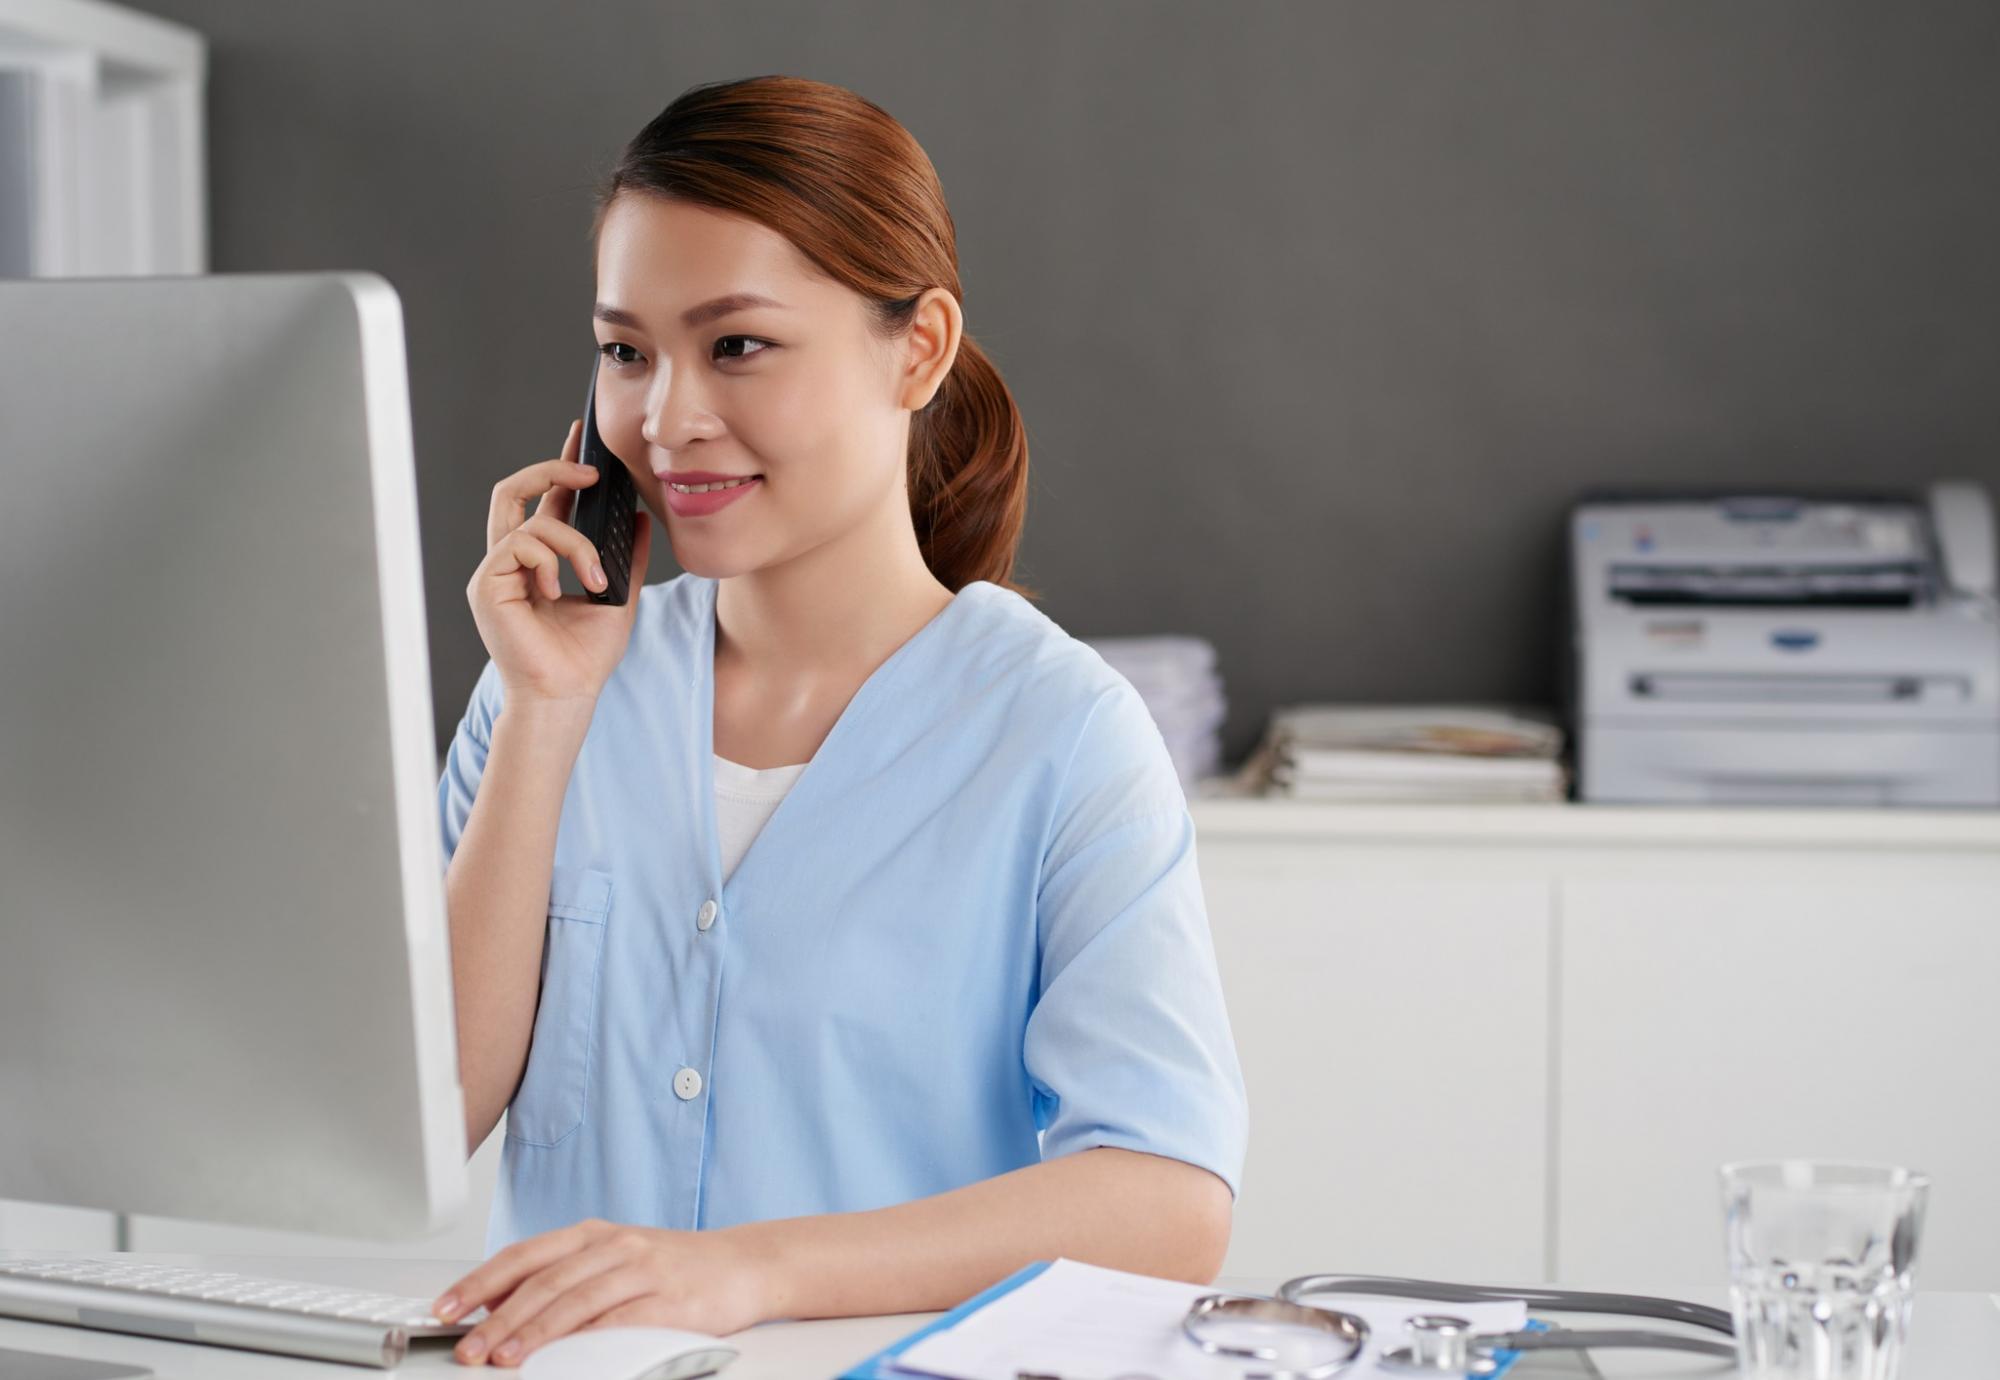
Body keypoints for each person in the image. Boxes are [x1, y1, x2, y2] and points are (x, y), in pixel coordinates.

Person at [429, 73, 1247, 1368]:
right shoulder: (552, 684)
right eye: (628, 351)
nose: (669, 418)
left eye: (737, 344)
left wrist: (741, 1275)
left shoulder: (1057, 733)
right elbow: (436, 1113)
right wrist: (543, 712)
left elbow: (1166, 1197)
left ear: (916, 349)